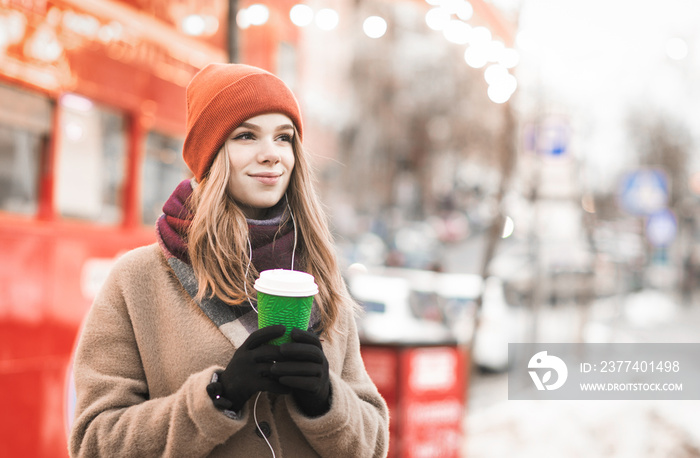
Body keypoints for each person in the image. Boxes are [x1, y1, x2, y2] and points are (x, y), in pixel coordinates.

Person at [69, 63, 389, 457]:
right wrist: (220, 395)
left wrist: (325, 401)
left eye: (283, 137)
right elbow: (94, 442)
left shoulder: (319, 275)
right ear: (211, 154)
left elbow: (374, 445)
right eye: (246, 136)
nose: (271, 154)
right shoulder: (138, 279)